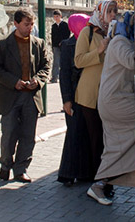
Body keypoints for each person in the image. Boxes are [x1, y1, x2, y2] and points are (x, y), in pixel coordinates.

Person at [0, 7, 52, 183]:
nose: (30, 28)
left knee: (27, 135)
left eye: (32, 24)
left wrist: (38, 81)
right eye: (26, 24)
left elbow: (46, 67)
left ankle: (21, 168)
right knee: (9, 133)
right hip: (10, 96)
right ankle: (5, 164)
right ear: (16, 24)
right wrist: (13, 81)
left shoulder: (38, 44)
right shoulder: (2, 45)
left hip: (31, 97)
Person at [88, 12, 135, 206]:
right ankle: (100, 184)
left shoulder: (122, 41)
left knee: (115, 147)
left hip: (115, 100)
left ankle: (103, 185)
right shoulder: (120, 42)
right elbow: (132, 61)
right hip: (116, 101)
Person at [74, 0, 117, 182]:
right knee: (95, 137)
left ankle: (104, 174)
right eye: (110, 12)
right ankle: (96, 176)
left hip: (108, 93)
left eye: (115, 12)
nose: (113, 15)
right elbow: (78, 61)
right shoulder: (88, 32)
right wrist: (99, 50)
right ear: (100, 13)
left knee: (106, 137)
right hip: (90, 94)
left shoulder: (113, 33)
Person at [57, 13, 91, 185]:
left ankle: (85, 172)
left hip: (88, 94)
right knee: (73, 134)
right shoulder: (68, 45)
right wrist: (66, 100)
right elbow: (64, 74)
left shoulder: (91, 41)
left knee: (86, 134)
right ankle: (68, 174)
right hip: (74, 95)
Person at [51, 10, 70, 83]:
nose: (56, 18)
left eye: (57, 16)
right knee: (56, 62)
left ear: (60, 16)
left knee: (64, 61)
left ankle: (64, 76)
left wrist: (63, 42)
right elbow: (53, 36)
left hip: (64, 45)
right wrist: (53, 46)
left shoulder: (65, 25)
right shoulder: (54, 26)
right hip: (56, 46)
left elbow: (67, 35)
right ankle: (54, 77)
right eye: (55, 17)